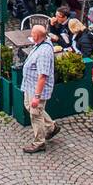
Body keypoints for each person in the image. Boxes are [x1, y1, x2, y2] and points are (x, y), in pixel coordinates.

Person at [20, 23, 59, 154]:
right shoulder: (42, 44)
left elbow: (42, 76)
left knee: (35, 113)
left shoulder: (43, 53)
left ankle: (39, 142)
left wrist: (37, 96)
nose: (30, 35)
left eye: (32, 33)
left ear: (37, 36)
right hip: (30, 86)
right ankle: (51, 127)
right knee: (29, 106)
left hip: (36, 89)